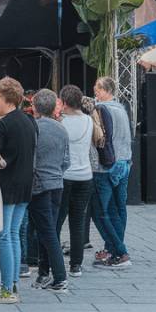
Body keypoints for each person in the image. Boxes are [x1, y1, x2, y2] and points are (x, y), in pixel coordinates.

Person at [0, 77, 36, 304]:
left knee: (3, 237)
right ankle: (11, 284)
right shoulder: (28, 121)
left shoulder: (4, 124)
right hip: (25, 186)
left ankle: (6, 289)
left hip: (8, 187)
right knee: (13, 234)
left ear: (7, 99)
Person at [29, 88, 70, 292]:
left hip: (39, 186)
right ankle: (43, 274)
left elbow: (32, 159)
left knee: (47, 232)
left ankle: (60, 277)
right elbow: (66, 161)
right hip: (57, 184)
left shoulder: (34, 128)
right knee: (48, 229)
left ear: (35, 107)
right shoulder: (62, 129)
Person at [90, 76, 133, 269]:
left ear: (106, 90)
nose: (95, 93)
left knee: (100, 211)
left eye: (97, 89)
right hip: (124, 162)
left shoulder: (101, 109)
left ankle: (118, 250)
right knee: (118, 208)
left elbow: (100, 138)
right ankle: (113, 248)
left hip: (106, 165)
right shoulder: (122, 109)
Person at [57, 84, 96, 277]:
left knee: (57, 220)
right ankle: (76, 264)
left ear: (64, 102)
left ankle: (53, 261)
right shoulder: (89, 121)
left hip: (65, 176)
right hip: (85, 175)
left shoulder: (61, 123)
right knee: (78, 220)